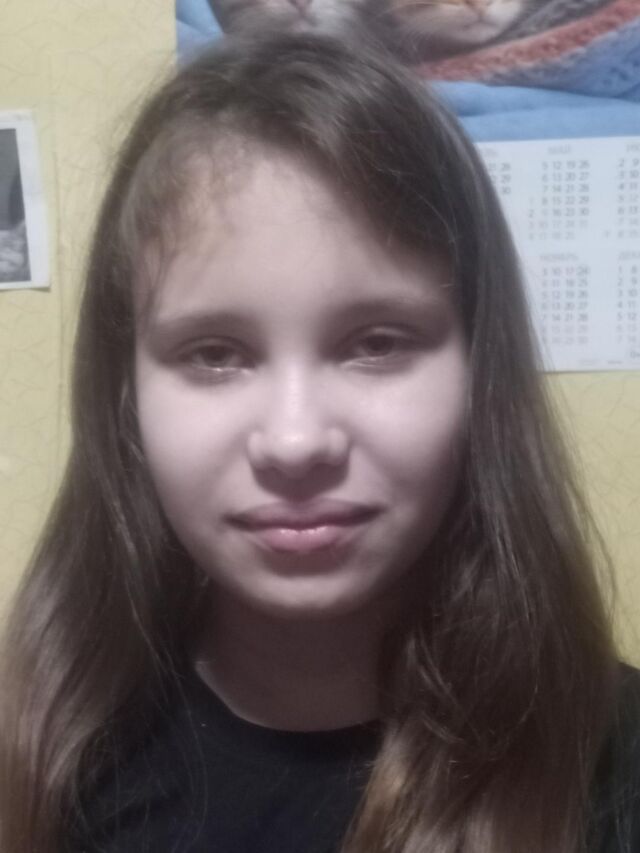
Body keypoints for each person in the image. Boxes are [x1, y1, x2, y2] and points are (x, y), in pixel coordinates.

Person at [0, 29, 638, 853]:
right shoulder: (44, 752)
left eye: (377, 342)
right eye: (215, 354)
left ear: (480, 369)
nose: (296, 441)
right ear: (126, 397)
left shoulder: (613, 769)